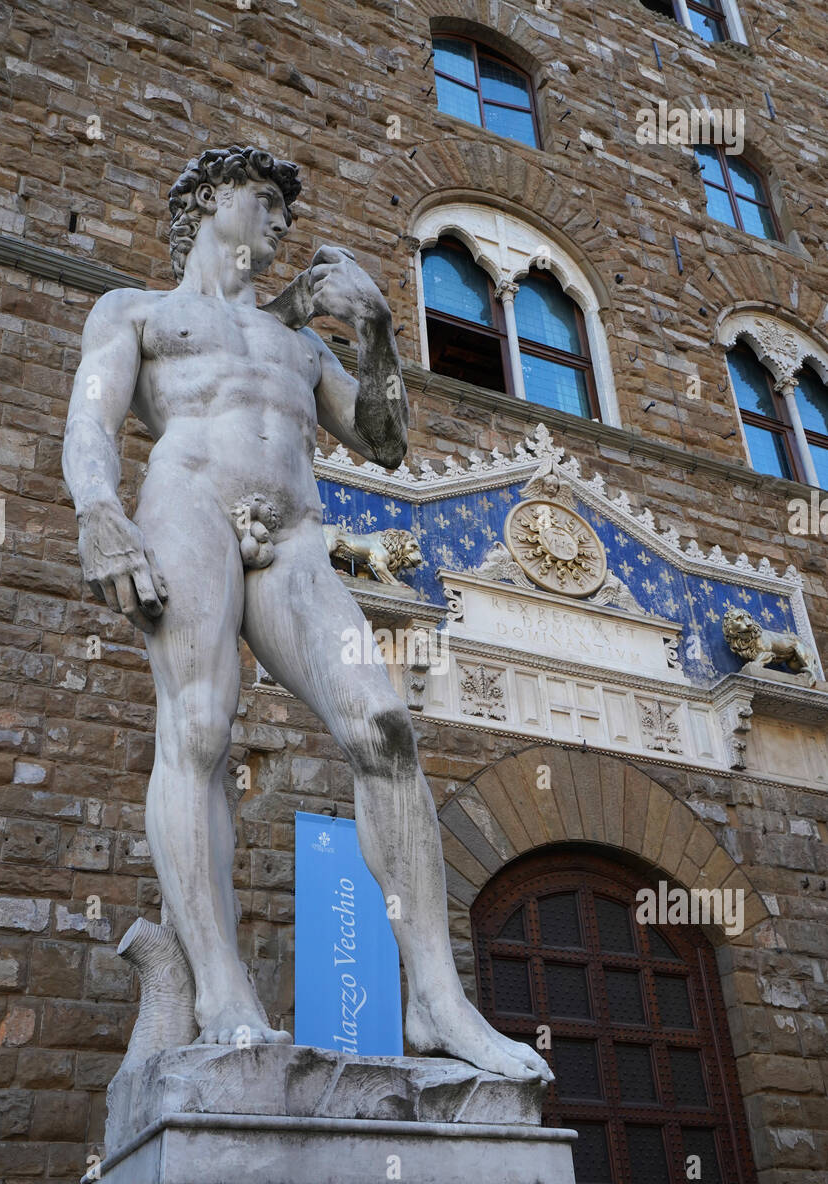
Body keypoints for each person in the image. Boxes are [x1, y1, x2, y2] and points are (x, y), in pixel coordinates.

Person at [62, 145, 549, 1081]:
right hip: (186, 506)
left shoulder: (301, 343)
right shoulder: (139, 312)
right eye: (264, 201)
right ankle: (220, 991)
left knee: (385, 729)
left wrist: (375, 335)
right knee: (199, 728)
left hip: (294, 533)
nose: (281, 223)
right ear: (208, 202)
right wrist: (98, 511)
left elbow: (385, 442)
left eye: (286, 210)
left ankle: (438, 1003)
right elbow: (91, 418)